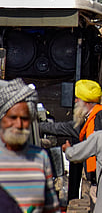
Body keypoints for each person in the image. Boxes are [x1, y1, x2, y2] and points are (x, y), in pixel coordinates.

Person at [39, 79, 102, 201]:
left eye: (78, 98)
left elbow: (95, 147)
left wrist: (71, 151)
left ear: (87, 102)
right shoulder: (84, 121)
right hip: (95, 180)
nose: (75, 101)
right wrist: (33, 125)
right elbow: (58, 128)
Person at [0, 78, 60, 213]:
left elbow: (51, 208)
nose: (18, 125)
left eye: (24, 119)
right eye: (13, 117)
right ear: (2, 118)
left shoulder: (40, 157)